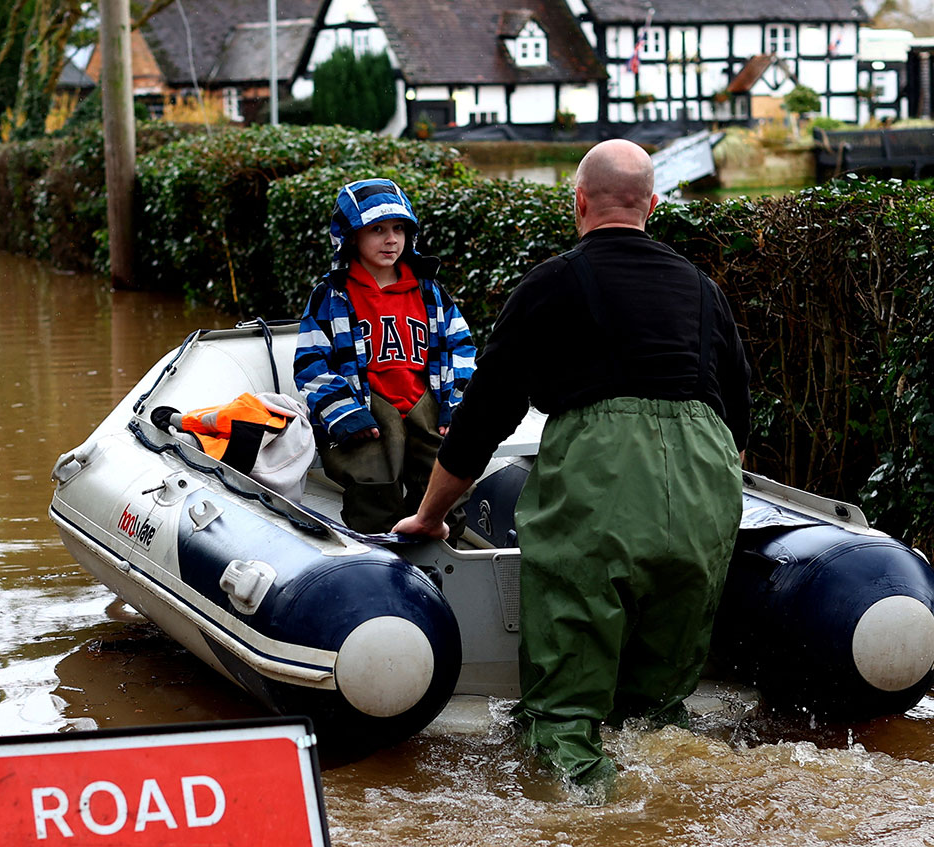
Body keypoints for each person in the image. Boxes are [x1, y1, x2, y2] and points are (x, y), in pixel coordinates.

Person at [395, 139, 751, 786]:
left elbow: (484, 418)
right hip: (707, 487)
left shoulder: (552, 283)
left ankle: (596, 835)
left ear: (580, 202)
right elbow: (739, 424)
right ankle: (677, 826)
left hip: (601, 479)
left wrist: (430, 517)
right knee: (659, 720)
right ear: (654, 204)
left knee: (562, 718)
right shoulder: (703, 291)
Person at [295, 178, 476, 534]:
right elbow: (310, 363)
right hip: (366, 408)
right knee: (373, 482)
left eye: (398, 229)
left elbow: (462, 348)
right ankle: (379, 559)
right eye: (376, 229)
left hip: (424, 401)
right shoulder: (332, 296)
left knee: (448, 477)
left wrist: (454, 404)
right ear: (350, 237)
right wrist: (343, 413)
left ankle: (439, 557)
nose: (391, 239)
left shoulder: (430, 291)